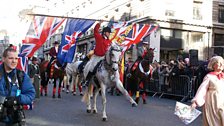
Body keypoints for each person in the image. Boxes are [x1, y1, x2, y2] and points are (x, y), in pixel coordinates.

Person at [0, 48, 35, 126]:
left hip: (15, 119)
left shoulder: (21, 76)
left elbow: (31, 95)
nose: (14, 61)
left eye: (16, 58)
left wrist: (17, 99)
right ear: (3, 59)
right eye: (11, 58)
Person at [191, 56, 224, 126]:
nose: (221, 65)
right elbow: (202, 90)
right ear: (213, 65)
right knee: (214, 122)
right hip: (213, 102)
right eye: (219, 63)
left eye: (222, 63)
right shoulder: (209, 77)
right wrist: (195, 102)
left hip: (222, 101)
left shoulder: (223, 76)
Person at [83, 21, 112, 86]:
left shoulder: (109, 41)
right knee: (92, 67)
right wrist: (99, 23)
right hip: (97, 56)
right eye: (108, 33)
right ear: (104, 32)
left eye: (109, 33)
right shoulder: (99, 37)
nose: (109, 34)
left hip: (104, 57)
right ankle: (87, 80)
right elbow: (95, 30)